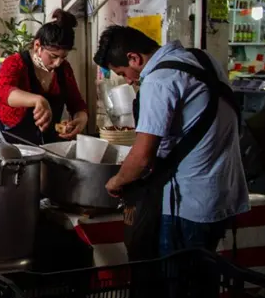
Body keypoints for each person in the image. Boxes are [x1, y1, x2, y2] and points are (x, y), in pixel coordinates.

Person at [93, 26, 249, 259]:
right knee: (203, 282)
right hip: (224, 193)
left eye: (124, 73)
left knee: (178, 286)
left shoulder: (158, 80)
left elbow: (142, 158)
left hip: (188, 204)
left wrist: (116, 181)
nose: (128, 80)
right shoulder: (202, 59)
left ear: (134, 58)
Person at [0, 9, 88, 145]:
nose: (58, 63)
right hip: (11, 147)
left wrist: (81, 119)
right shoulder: (16, 63)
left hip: (48, 148)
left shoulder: (64, 69)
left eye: (63, 57)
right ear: (37, 46)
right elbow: (2, 91)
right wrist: (37, 100)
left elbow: (77, 104)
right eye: (53, 56)